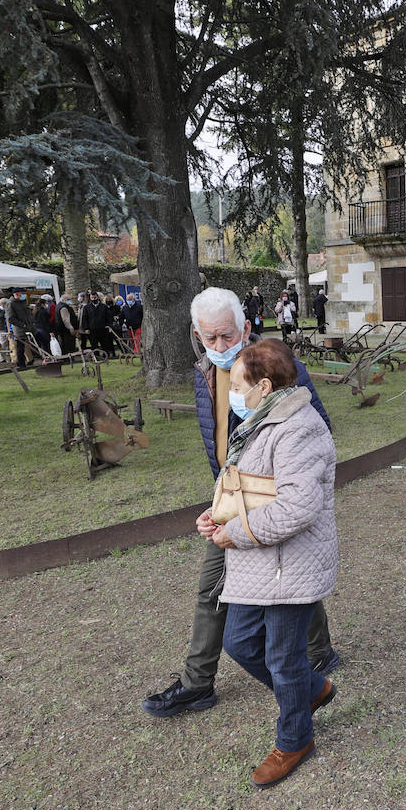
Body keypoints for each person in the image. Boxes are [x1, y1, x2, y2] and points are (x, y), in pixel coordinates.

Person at [142, 288, 339, 722]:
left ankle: (310, 659)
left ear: (245, 328)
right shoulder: (204, 372)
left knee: (280, 581)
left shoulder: (277, 365)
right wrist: (222, 499)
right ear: (196, 335)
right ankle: (203, 682)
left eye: (225, 336)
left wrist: (276, 498)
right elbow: (217, 441)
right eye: (208, 338)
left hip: (270, 506)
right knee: (246, 585)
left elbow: (315, 432)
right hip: (230, 501)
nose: (217, 347)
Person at [194, 338, 338, 788]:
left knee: (283, 656)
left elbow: (296, 508)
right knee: (239, 642)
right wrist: (217, 513)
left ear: (264, 385)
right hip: (262, 561)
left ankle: (295, 739)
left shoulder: (300, 427)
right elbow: (248, 485)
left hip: (288, 564)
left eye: (238, 385)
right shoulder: (259, 421)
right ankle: (313, 690)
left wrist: (233, 533)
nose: (231, 393)